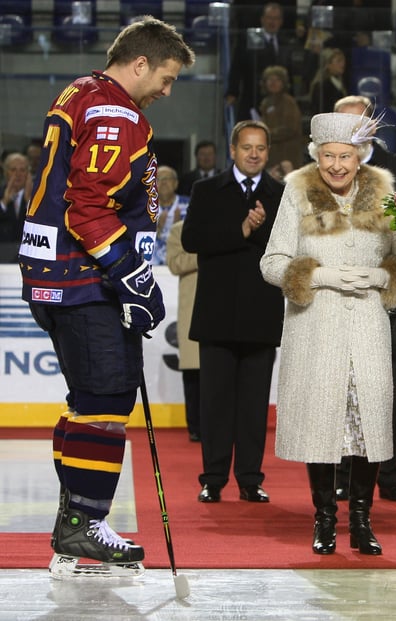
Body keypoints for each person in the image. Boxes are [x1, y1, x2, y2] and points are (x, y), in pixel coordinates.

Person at [16, 17, 195, 576]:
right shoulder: (114, 110)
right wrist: (131, 276)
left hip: (65, 275)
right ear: (139, 63)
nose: (167, 92)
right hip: (83, 278)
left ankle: (77, 521)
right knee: (106, 399)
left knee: (89, 399)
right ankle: (84, 525)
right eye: (165, 78)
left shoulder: (81, 93)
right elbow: (87, 206)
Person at [260, 112, 396, 555]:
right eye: (328, 155)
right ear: (315, 154)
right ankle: (325, 520)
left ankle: (362, 522)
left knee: (368, 424)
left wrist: (378, 279)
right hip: (316, 327)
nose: (336, 166)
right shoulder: (298, 191)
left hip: (368, 324)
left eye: (345, 156)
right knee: (321, 423)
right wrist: (324, 276)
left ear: (360, 155)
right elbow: (272, 263)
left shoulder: (384, 193)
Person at [181, 119, 285, 504]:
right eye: (247, 147)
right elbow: (192, 238)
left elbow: (289, 245)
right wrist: (240, 229)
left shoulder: (282, 193)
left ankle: (250, 479)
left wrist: (256, 230)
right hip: (217, 313)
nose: (254, 154)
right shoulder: (207, 189)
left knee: (254, 405)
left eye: (260, 148)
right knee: (215, 403)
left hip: (261, 312)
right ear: (233, 150)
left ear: (268, 151)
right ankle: (212, 478)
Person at [332, 95, 396, 503]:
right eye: (342, 123)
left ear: (373, 125)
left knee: (393, 386)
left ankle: (390, 474)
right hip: (341, 294)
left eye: (357, 123)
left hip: (394, 297)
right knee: (342, 386)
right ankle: (342, 472)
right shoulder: (325, 171)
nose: (350, 132)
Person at [225, 2, 296, 122]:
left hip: (278, 102)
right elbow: (237, 67)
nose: (272, 22)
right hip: (252, 99)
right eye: (269, 18)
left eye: (276, 18)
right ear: (262, 19)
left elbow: (289, 73)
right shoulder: (248, 39)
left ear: (281, 21)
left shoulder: (286, 42)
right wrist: (232, 92)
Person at [166, 219, 201, 442]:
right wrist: (206, 253)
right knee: (194, 374)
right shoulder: (180, 229)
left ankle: (221, 426)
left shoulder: (227, 225)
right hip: (192, 309)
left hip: (223, 310)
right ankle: (195, 426)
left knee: (221, 375)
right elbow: (174, 263)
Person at [257, 65, 304, 181]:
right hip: (270, 154)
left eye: (277, 80)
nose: (273, 83)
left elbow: (290, 128)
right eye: (270, 79)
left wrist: (267, 134)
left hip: (287, 155)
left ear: (283, 83)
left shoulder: (288, 102)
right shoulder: (265, 102)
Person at [151, 165, 189, 265]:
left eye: (167, 178)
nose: (163, 182)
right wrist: (157, 228)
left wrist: (178, 228)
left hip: (181, 263)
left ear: (176, 183)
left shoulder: (189, 205)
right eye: (159, 179)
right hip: (154, 266)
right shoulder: (145, 208)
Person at [0, 152, 30, 244]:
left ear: (28, 174)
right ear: (6, 172)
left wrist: (29, 202)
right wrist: (4, 203)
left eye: (22, 170)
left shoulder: (36, 198)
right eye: (13, 170)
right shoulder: (1, 195)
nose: (18, 174)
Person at [309, 47, 347, 116]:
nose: (343, 64)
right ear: (328, 65)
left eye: (343, 60)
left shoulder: (342, 84)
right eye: (339, 61)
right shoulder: (321, 87)